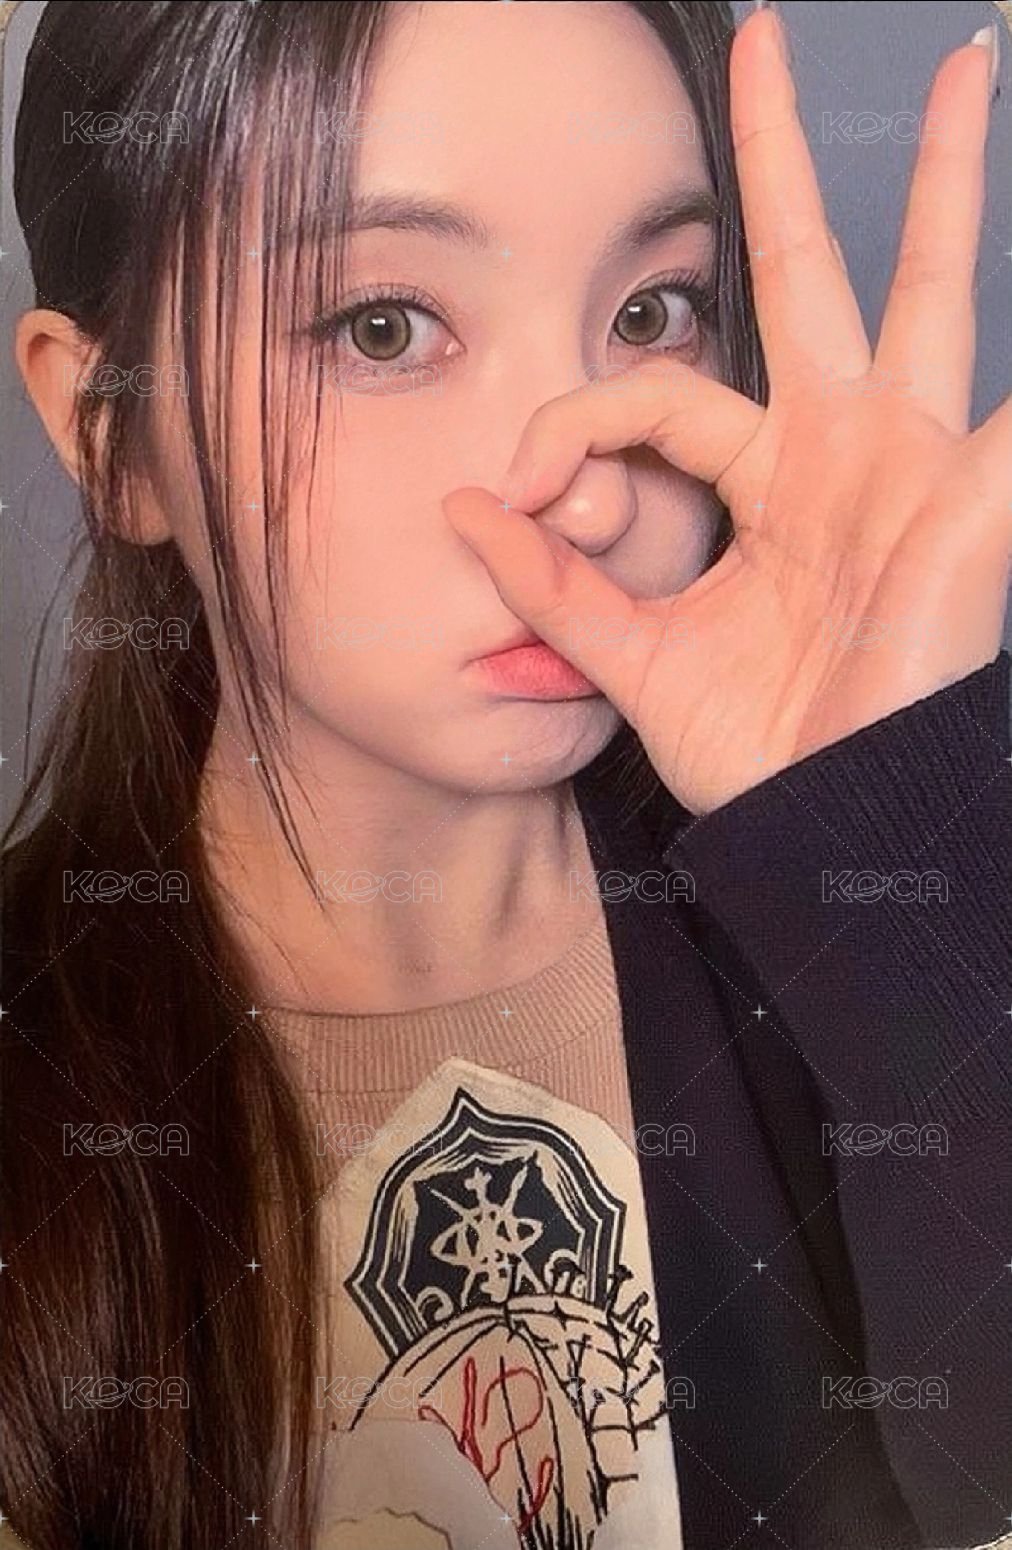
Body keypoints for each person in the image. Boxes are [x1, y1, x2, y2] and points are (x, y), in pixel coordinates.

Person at [2, 1, 1009, 1547]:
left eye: (653, 311)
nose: (586, 496)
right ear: (111, 430)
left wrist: (897, 854)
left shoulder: (873, 949)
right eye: (384, 327)